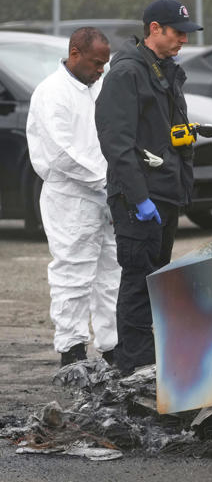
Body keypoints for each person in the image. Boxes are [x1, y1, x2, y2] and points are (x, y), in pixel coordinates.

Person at [95, 0, 203, 376]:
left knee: (156, 278)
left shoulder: (165, 70)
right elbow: (117, 144)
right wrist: (139, 198)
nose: (183, 41)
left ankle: (149, 358)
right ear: (154, 29)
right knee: (138, 280)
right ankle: (135, 365)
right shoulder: (127, 74)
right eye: (177, 33)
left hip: (165, 193)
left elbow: (167, 132)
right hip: (139, 197)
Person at [26, 27, 118, 367]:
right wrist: (108, 181)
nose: (101, 70)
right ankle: (73, 352)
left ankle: (112, 347)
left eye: (105, 64)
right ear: (75, 53)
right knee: (73, 274)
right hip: (71, 198)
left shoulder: (94, 89)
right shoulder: (52, 93)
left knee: (111, 273)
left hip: (104, 195)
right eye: (96, 62)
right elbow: (62, 153)